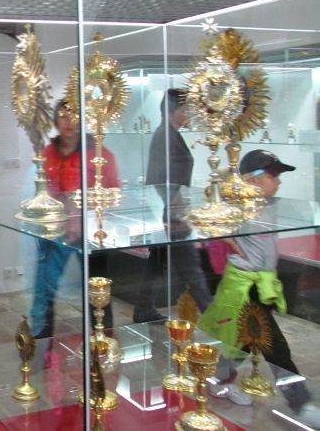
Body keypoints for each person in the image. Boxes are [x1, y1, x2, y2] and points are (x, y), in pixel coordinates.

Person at [199, 150, 320, 429]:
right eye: (272, 176)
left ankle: (218, 379)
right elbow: (209, 221)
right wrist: (229, 242)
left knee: (240, 340)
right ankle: (300, 403)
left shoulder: (267, 205)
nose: (278, 182)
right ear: (251, 180)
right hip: (246, 286)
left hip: (261, 283)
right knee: (274, 345)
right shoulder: (238, 206)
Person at [30, 100, 119, 338]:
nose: (69, 121)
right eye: (63, 115)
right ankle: (43, 336)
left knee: (98, 288)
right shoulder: (46, 154)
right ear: (55, 120)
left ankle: (103, 338)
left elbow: (112, 193)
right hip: (55, 233)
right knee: (46, 286)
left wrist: (91, 221)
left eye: (74, 116)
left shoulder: (99, 154)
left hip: (92, 233)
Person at [132, 88, 213, 323]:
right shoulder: (165, 137)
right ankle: (215, 320)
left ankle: (144, 309)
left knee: (158, 262)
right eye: (183, 109)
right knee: (191, 268)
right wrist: (177, 205)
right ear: (170, 112)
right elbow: (160, 177)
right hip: (172, 211)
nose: (187, 114)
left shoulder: (168, 135)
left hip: (169, 209)